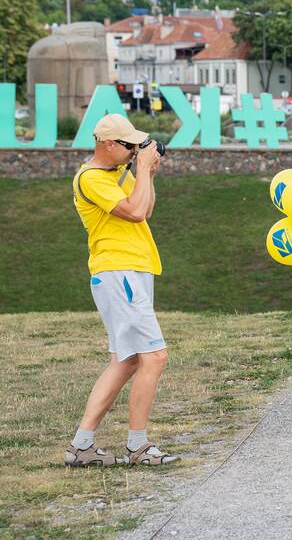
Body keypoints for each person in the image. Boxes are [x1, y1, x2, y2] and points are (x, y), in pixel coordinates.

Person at [68, 114, 178, 467]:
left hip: (131, 271)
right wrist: (141, 170)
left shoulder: (118, 174)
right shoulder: (91, 178)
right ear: (107, 144)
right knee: (155, 357)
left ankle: (81, 445)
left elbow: (145, 208)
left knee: (127, 361)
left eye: (137, 146)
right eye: (129, 146)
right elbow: (132, 212)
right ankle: (138, 446)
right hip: (118, 272)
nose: (134, 151)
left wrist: (147, 172)